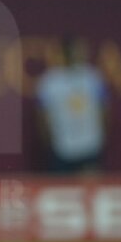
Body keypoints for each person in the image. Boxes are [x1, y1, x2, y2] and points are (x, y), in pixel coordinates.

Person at [36, 35, 109, 173]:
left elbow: (104, 110)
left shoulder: (93, 78)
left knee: (92, 185)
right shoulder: (50, 82)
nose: (79, 55)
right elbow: (42, 117)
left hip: (90, 145)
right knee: (62, 186)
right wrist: (51, 143)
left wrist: (100, 137)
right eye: (74, 51)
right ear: (65, 53)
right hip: (62, 147)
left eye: (80, 51)